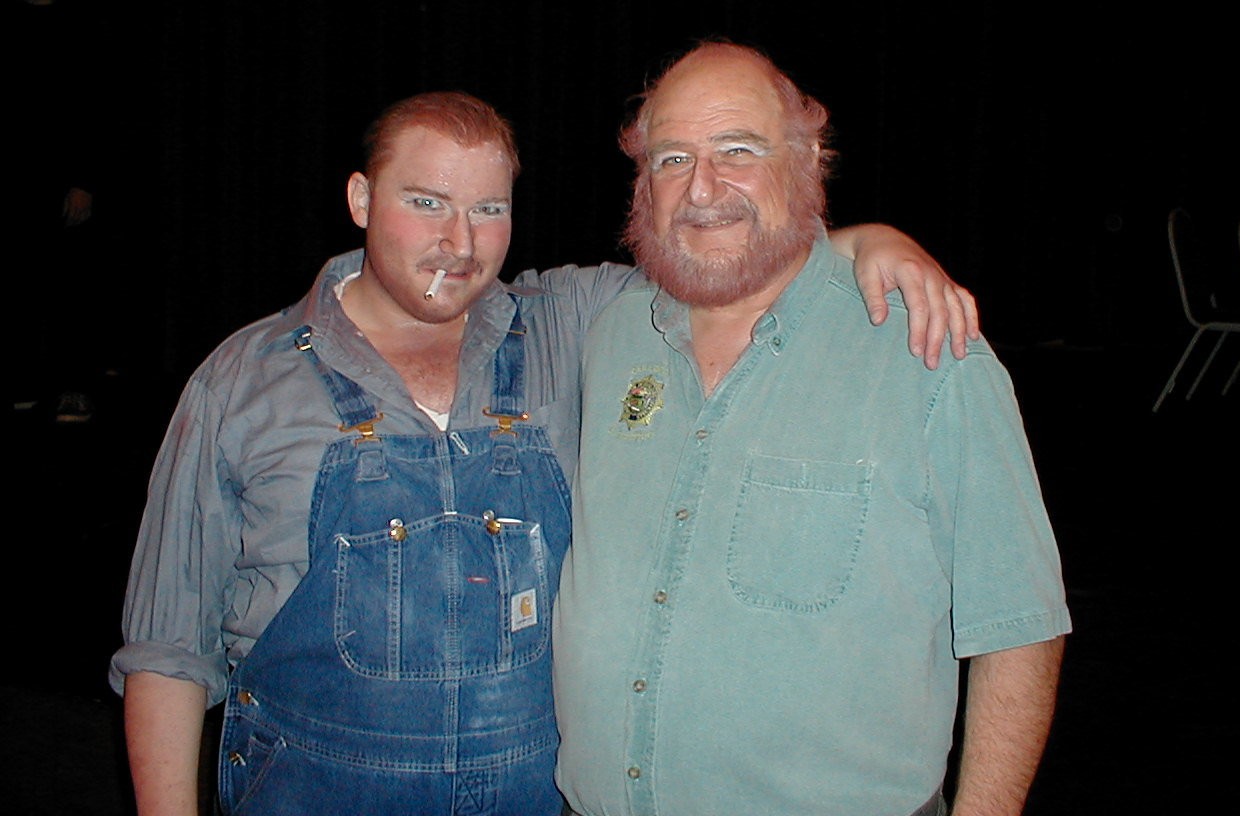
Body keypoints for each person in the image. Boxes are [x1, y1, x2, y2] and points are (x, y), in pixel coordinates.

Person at [111, 91, 979, 816]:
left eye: (488, 209)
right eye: (426, 202)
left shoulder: (568, 324)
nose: (459, 241)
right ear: (360, 199)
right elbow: (165, 653)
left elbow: (727, 261)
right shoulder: (240, 383)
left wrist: (858, 243)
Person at [551, 42, 1071, 816]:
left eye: (737, 150)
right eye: (671, 158)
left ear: (808, 160)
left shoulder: (925, 350)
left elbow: (1020, 627)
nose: (702, 188)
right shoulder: (612, 334)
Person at [14, 0, 107, 421]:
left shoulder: (79, 24)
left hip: (62, 179)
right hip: (18, 176)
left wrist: (82, 181)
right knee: (22, 283)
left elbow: (91, 110)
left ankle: (74, 387)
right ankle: (25, 382)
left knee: (70, 285)